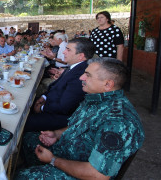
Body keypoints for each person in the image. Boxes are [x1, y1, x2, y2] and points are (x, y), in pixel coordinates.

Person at [16, 57, 144, 179]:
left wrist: (53, 160)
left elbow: (97, 175)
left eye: (88, 75)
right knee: (27, 139)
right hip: (65, 151)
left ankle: (32, 172)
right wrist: (56, 134)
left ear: (108, 84)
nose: (81, 77)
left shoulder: (118, 122)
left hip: (79, 172)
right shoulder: (96, 98)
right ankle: (34, 168)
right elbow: (77, 126)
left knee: (20, 177)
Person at [24, 38, 95, 132]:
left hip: (58, 116)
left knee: (22, 122)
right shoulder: (75, 67)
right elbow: (55, 86)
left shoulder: (81, 75)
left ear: (81, 56)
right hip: (50, 103)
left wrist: (42, 108)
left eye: (68, 50)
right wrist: (43, 97)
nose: (64, 52)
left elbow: (65, 107)